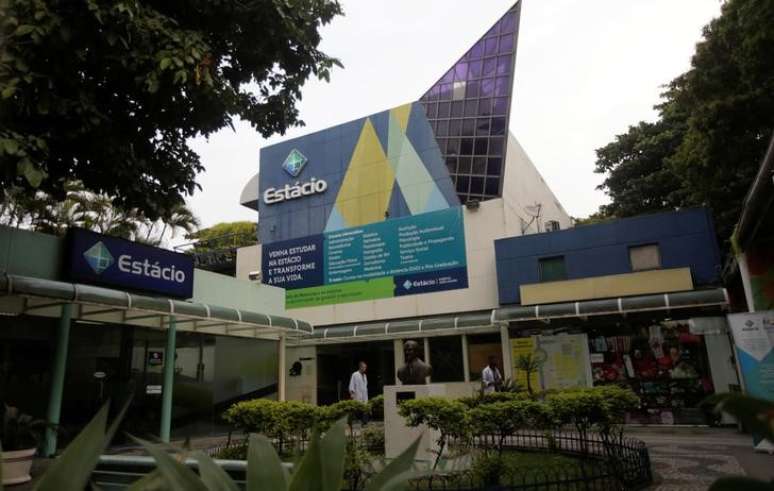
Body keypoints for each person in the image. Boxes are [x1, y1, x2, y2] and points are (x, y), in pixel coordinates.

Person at [348, 361, 369, 425]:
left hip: (364, 396)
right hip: (357, 395)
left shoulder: (365, 376)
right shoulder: (355, 374)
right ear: (360, 367)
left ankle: (364, 423)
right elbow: (352, 385)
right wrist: (352, 393)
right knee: (357, 410)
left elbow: (365, 386)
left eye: (365, 367)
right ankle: (354, 422)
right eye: (364, 367)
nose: (365, 369)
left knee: (365, 409)